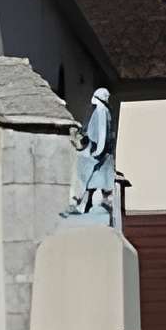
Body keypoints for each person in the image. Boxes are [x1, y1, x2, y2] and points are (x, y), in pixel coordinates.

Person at [68, 83, 121, 225]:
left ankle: (81, 205)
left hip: (97, 151)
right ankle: (86, 206)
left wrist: (97, 151)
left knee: (87, 178)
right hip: (100, 151)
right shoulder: (103, 110)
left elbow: (102, 133)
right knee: (93, 182)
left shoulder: (101, 111)